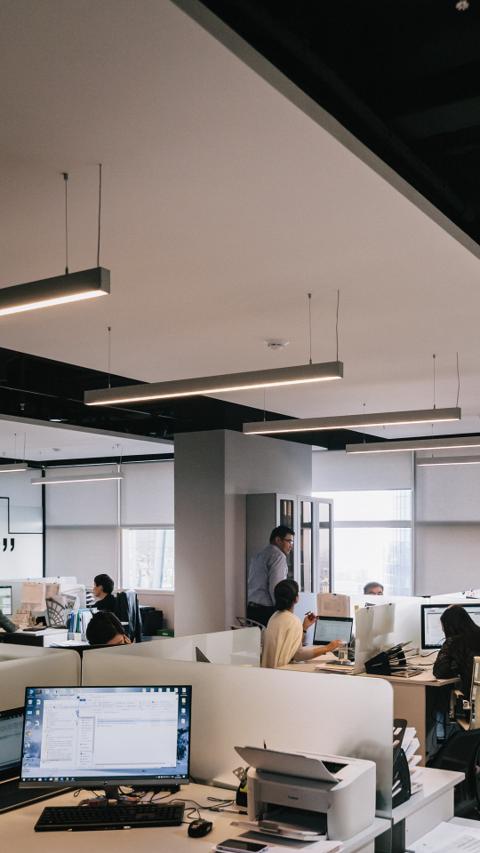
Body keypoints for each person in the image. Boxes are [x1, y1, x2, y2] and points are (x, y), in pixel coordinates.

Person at [261, 579, 343, 668]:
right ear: (296, 598)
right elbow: (298, 655)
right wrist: (328, 648)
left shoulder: (274, 617)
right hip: (281, 671)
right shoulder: (293, 621)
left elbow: (291, 647)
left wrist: (304, 628)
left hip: (269, 671)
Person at [247, 525, 295, 626]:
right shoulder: (278, 556)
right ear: (278, 540)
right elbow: (277, 588)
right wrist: (282, 612)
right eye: (289, 541)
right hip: (266, 612)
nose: (291, 546)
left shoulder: (259, 555)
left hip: (251, 609)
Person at [433, 605, 480, 695]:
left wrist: (448, 644)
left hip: (471, 697)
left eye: (444, 627)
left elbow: (440, 672)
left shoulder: (455, 642)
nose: (443, 630)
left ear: (450, 628)